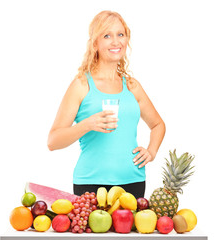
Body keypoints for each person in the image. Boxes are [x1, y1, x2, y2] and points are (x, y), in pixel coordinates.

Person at [47, 11, 166, 198]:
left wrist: (151, 151)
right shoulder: (81, 85)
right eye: (107, 35)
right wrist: (87, 124)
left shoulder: (132, 86)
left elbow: (158, 125)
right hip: (90, 184)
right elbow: (53, 141)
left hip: (133, 181)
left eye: (120, 34)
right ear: (95, 43)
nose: (116, 42)